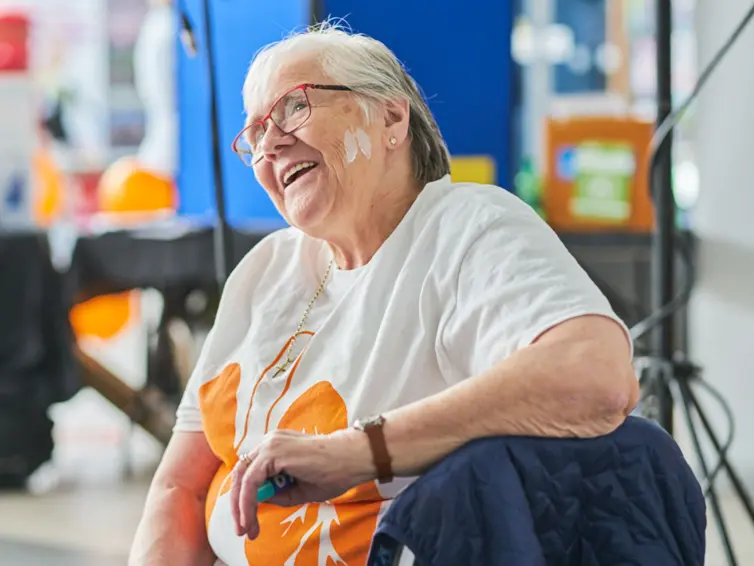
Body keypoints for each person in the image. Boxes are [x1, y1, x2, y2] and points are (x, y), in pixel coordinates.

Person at [129, 22, 639, 566]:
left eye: (293, 108)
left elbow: (596, 373)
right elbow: (177, 489)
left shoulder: (465, 227)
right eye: (254, 135)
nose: (270, 144)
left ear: (392, 117)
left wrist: (357, 452)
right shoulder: (265, 269)